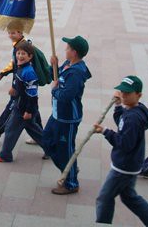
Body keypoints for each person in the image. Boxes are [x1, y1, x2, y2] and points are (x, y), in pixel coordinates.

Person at [94, 75, 148, 226]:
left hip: (124, 167)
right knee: (130, 197)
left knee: (104, 197)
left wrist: (106, 132)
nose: (123, 95)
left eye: (127, 93)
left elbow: (125, 143)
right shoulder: (134, 110)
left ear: (138, 95)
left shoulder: (133, 118)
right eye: (122, 92)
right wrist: (118, 107)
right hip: (131, 163)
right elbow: (121, 124)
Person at [0, 20, 43, 144]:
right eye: (9, 33)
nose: (10, 35)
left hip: (22, 87)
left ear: (20, 33)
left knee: (11, 109)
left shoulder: (22, 47)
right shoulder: (19, 45)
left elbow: (20, 67)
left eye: (13, 33)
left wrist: (15, 86)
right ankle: (41, 137)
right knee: (32, 110)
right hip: (23, 87)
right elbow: (14, 64)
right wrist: (2, 73)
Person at [42, 35, 92, 195]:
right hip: (57, 114)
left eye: (68, 48)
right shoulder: (67, 64)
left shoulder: (76, 73)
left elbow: (66, 95)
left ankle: (71, 183)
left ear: (74, 52)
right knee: (47, 141)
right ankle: (69, 167)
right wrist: (53, 66)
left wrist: (54, 89)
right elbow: (53, 77)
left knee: (66, 149)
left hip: (68, 118)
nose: (65, 49)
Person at [0, 41, 45, 162]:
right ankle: (52, 149)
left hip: (23, 109)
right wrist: (14, 88)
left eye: (23, 54)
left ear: (30, 56)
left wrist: (28, 111)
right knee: (35, 131)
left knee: (11, 130)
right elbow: (20, 84)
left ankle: (5, 155)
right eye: (18, 53)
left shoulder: (29, 72)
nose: (20, 56)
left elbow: (32, 95)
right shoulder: (21, 68)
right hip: (21, 106)